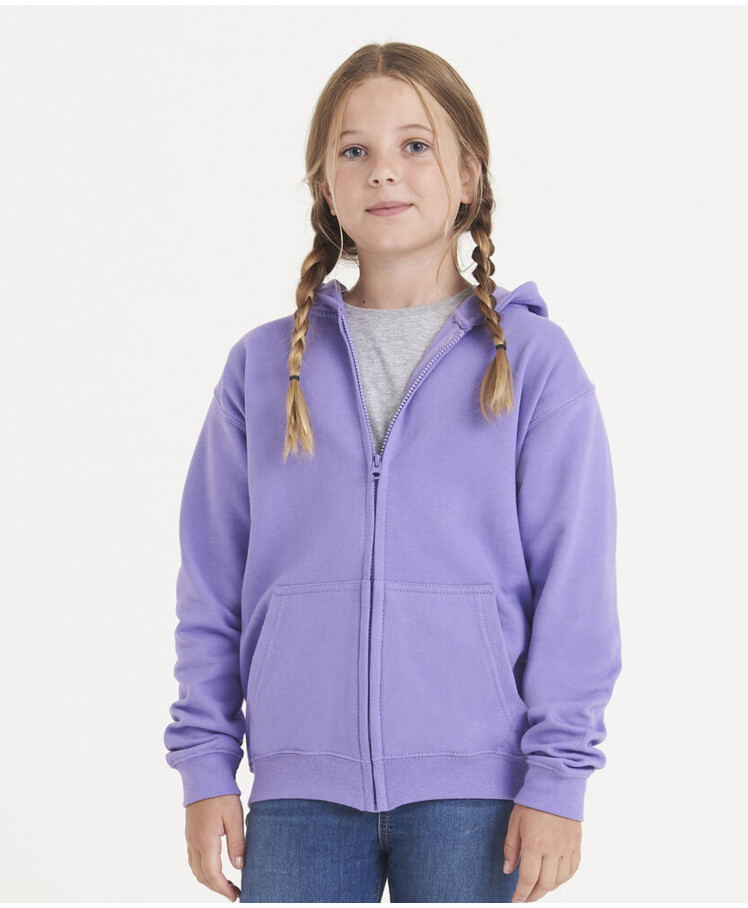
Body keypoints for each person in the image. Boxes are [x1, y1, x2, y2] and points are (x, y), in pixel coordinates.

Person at [163, 41, 623, 904]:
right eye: (355, 150)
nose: (384, 171)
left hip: (477, 794)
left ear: (469, 176)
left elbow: (576, 586)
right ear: (324, 187)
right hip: (299, 791)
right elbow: (211, 586)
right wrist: (204, 765)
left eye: (415, 145)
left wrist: (559, 776)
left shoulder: (534, 362)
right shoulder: (261, 368)